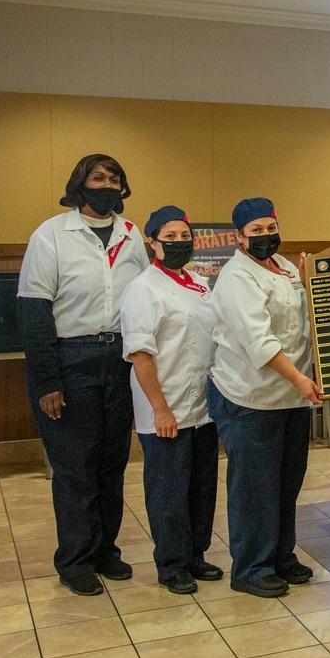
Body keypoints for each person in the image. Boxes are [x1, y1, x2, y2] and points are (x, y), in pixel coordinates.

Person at [17, 153, 148, 596]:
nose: (107, 184)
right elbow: (35, 313)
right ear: (80, 184)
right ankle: (74, 560)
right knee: (75, 468)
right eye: (98, 177)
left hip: (120, 360)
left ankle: (105, 550)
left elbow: (148, 297)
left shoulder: (132, 236)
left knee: (112, 463)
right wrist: (48, 382)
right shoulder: (52, 234)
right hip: (69, 361)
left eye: (114, 178)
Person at [206, 197, 322, 598]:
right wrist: (300, 380)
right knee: (255, 487)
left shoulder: (287, 267)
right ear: (239, 237)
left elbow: (304, 326)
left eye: (270, 228)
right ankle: (252, 567)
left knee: (286, 483)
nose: (265, 236)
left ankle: (281, 557)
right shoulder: (236, 277)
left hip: (292, 398)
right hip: (250, 398)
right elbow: (260, 341)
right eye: (255, 231)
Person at [121, 206, 221, 595]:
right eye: (170, 238)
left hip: (202, 406)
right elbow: (140, 355)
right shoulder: (142, 289)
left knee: (201, 485)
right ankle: (171, 562)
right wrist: (161, 409)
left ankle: (196, 554)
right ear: (152, 242)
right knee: (169, 489)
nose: (179, 244)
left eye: (185, 237)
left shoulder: (199, 282)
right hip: (164, 406)